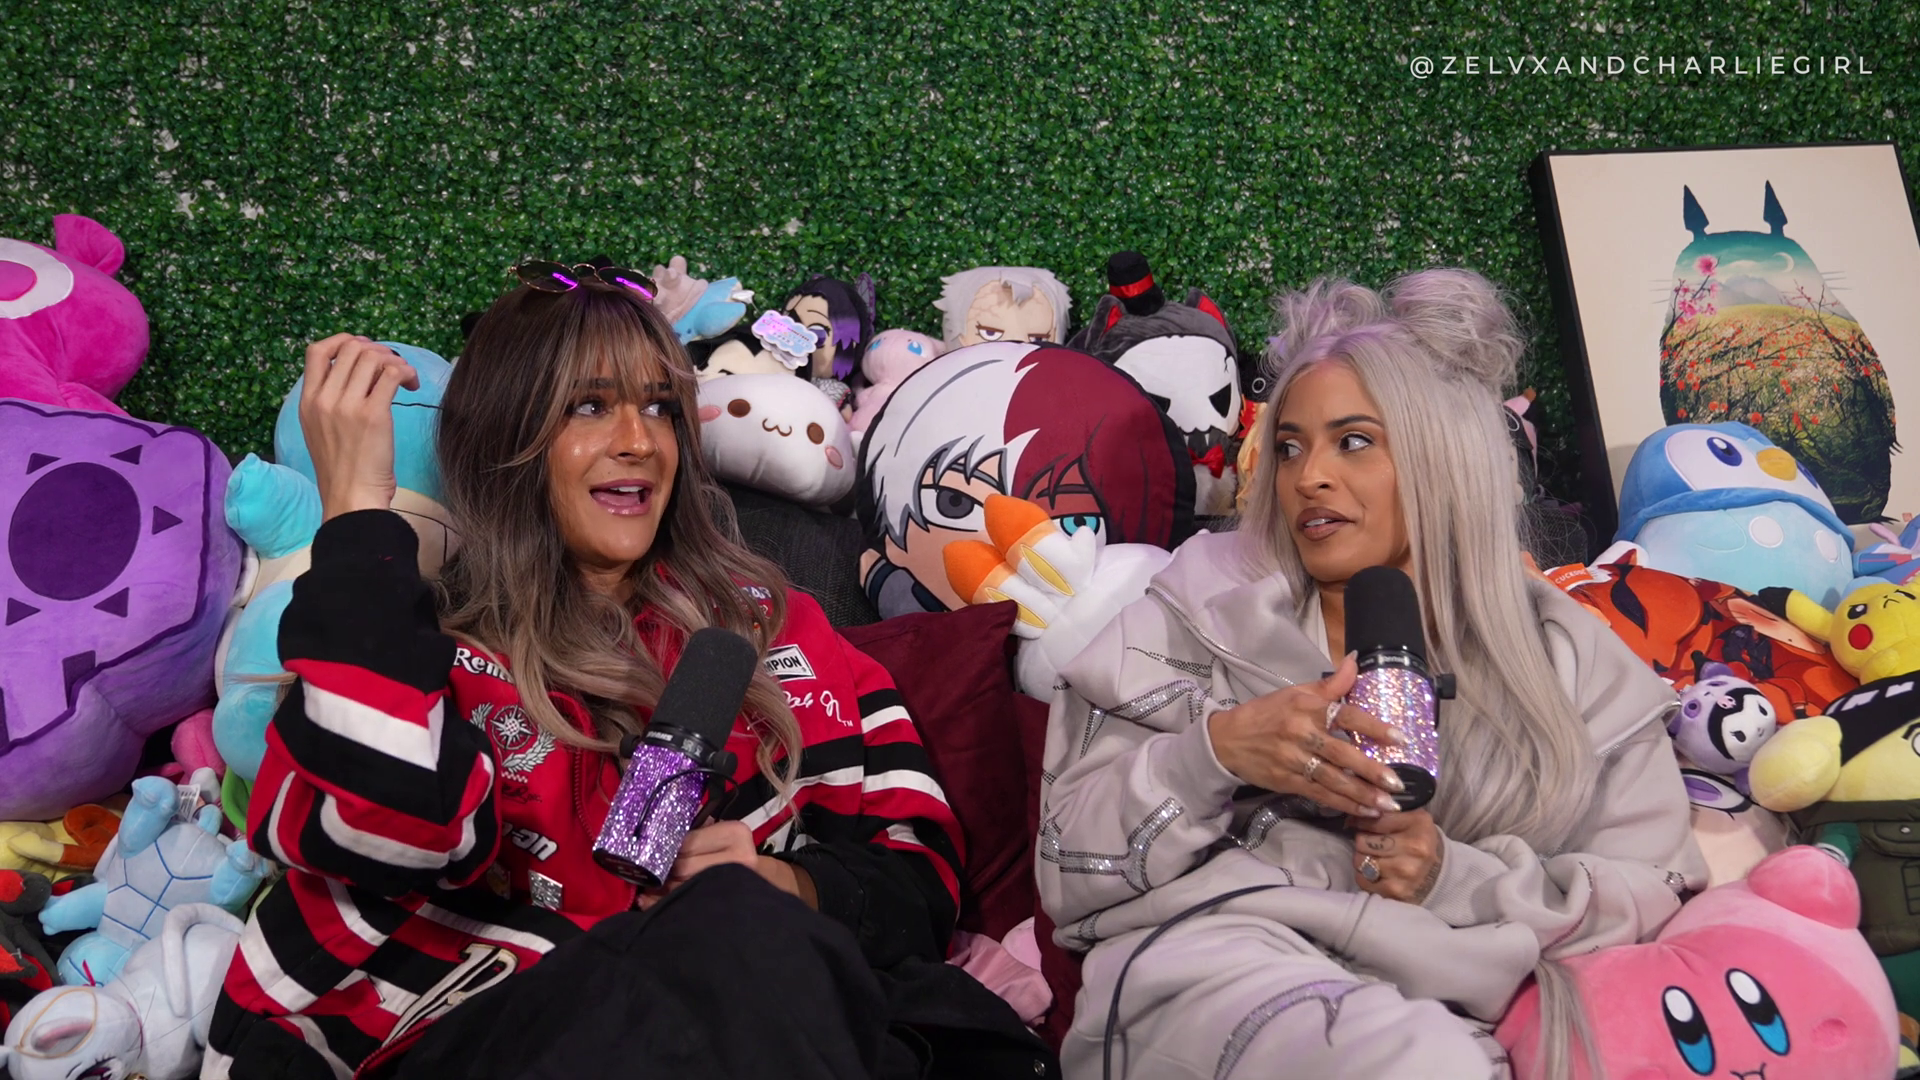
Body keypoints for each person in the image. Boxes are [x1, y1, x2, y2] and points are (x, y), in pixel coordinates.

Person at [203, 262, 1055, 1080]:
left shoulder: (773, 625)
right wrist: (357, 516)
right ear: (506, 438)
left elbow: (917, 877)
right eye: (588, 406)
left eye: (659, 406)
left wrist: (784, 883)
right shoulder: (406, 641)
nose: (639, 441)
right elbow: (378, 829)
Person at [1036, 269, 1707, 1080]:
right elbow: (1066, 870)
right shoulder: (1189, 610)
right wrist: (1213, 754)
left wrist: (1450, 877)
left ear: (1442, 456)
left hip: (1475, 998)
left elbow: (1653, 891)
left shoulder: (1568, 658)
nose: (1307, 477)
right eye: (1290, 447)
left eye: (1353, 441)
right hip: (1217, 964)